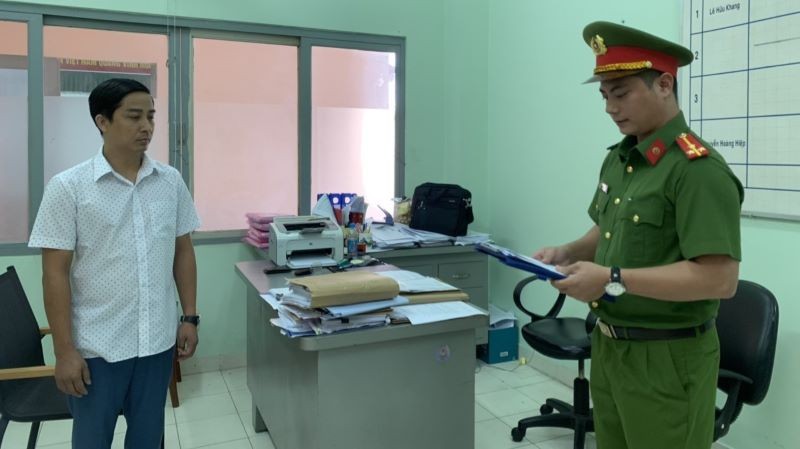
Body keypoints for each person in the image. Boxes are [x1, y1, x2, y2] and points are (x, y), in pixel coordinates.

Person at [533, 22, 744, 449]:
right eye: (604, 96)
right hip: (610, 345)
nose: (610, 108)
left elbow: (719, 280)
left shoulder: (697, 170)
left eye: (621, 93)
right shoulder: (622, 158)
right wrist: (569, 252)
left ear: (664, 84)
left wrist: (611, 279)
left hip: (668, 358)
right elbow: (608, 229)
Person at [29, 78, 202, 448]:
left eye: (151, 117)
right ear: (102, 121)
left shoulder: (170, 181)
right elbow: (54, 274)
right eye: (134, 116)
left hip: (156, 342)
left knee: (148, 438)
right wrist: (64, 351)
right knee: (92, 440)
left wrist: (189, 316)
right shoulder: (69, 187)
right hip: (97, 348)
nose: (146, 126)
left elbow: (183, 251)